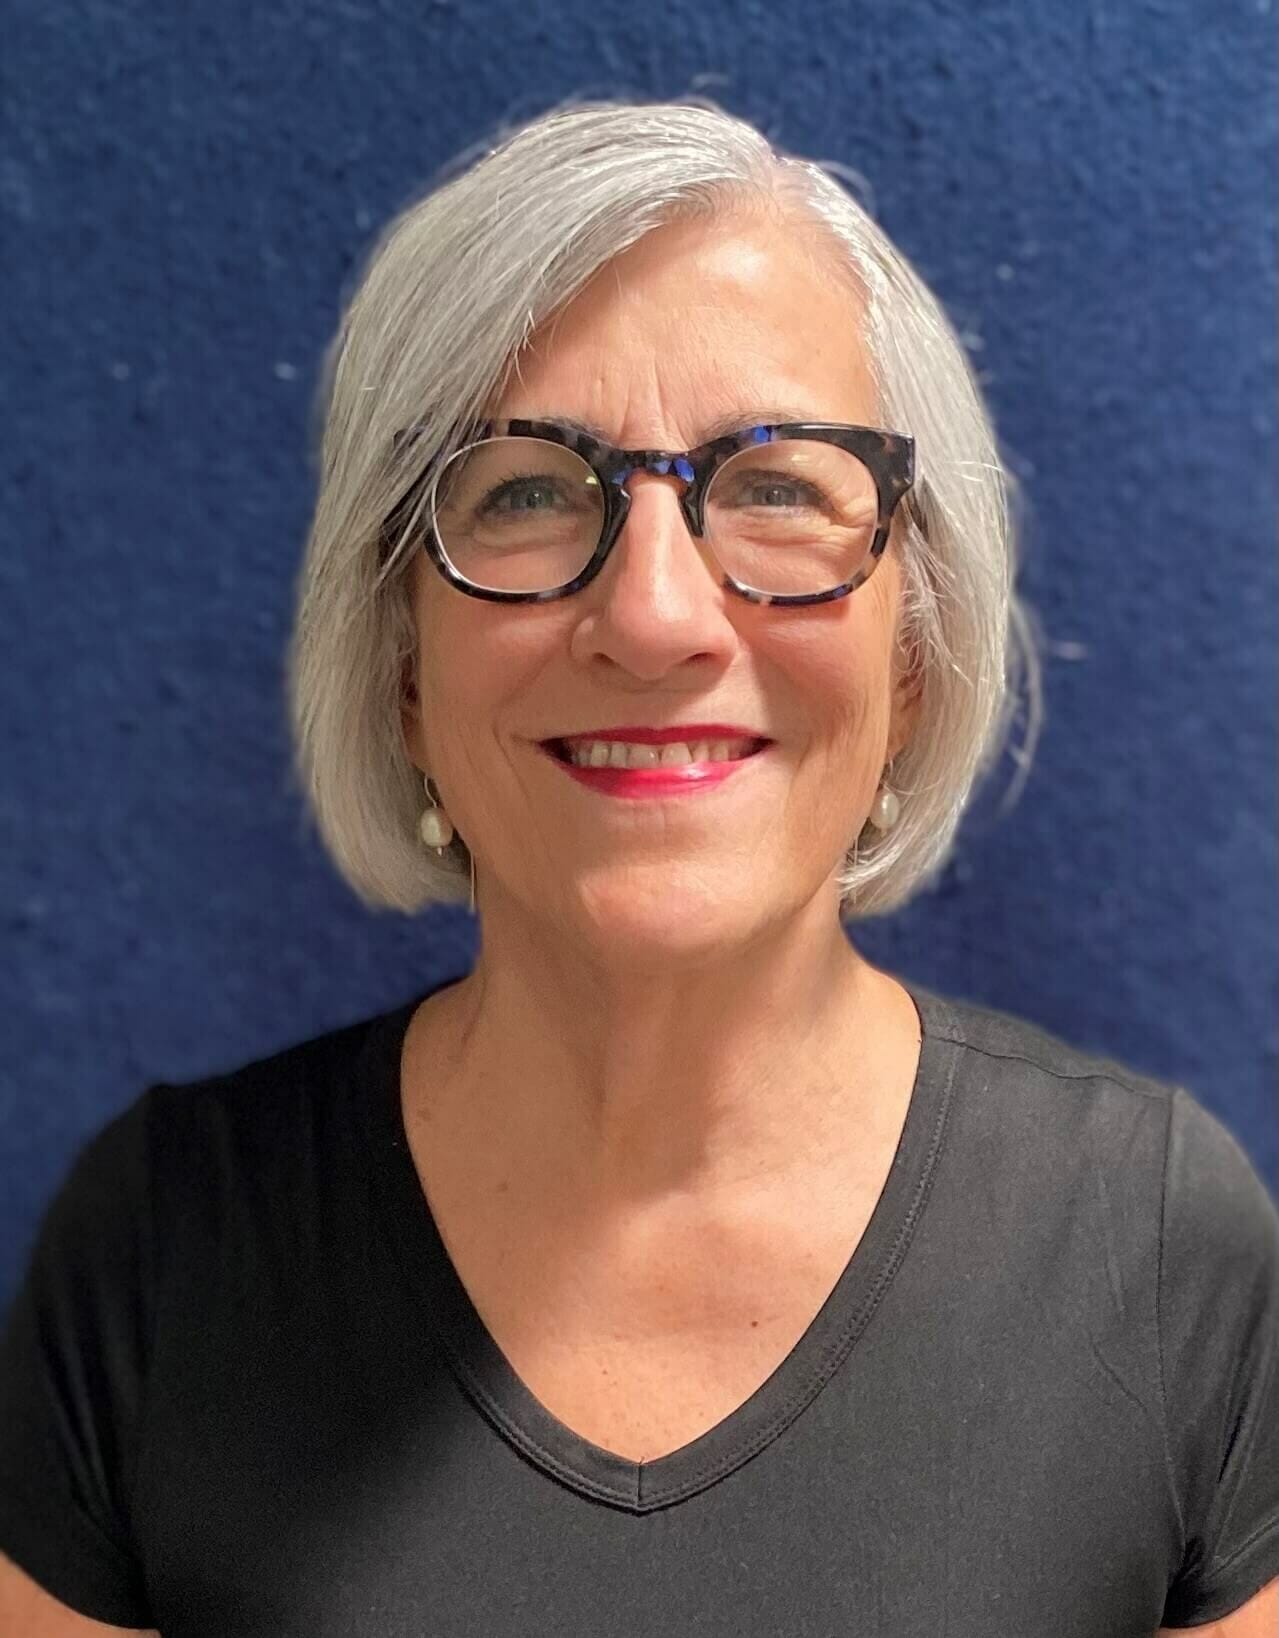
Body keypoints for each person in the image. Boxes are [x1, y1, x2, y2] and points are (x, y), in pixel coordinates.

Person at [1, 98, 1275, 1638]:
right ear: (403, 662)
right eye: (528, 489)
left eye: (781, 486)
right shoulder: (158, 1258)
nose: (657, 614)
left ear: (918, 661)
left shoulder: (1161, 1246)